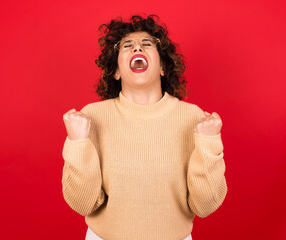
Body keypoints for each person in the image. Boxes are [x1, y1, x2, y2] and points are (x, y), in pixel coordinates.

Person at [62, 15, 227, 240]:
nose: (137, 48)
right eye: (127, 46)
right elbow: (84, 203)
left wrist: (209, 145)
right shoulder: (91, 117)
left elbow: (204, 206)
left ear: (162, 68)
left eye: (147, 44)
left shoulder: (194, 118)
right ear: (116, 72)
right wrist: (78, 144)